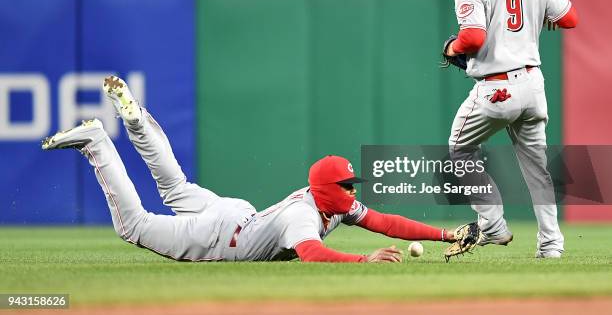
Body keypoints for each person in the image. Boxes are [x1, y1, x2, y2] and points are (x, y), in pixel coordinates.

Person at [42, 76, 466, 263]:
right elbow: (312, 253)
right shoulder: (304, 215)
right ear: (325, 187)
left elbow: (386, 222)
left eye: (352, 186)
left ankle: (135, 120)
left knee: (173, 186)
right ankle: (98, 142)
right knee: (135, 225)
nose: (353, 193)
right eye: (347, 186)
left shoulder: (331, 203)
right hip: (219, 235)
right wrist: (362, 259)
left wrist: (447, 233)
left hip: (238, 217)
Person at [442, 0, 579, 258]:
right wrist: (541, 18)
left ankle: (493, 226)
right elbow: (570, 18)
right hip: (533, 85)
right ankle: (551, 245)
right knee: (538, 169)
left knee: (459, 151)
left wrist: (451, 49)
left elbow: (472, 39)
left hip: (496, 87)